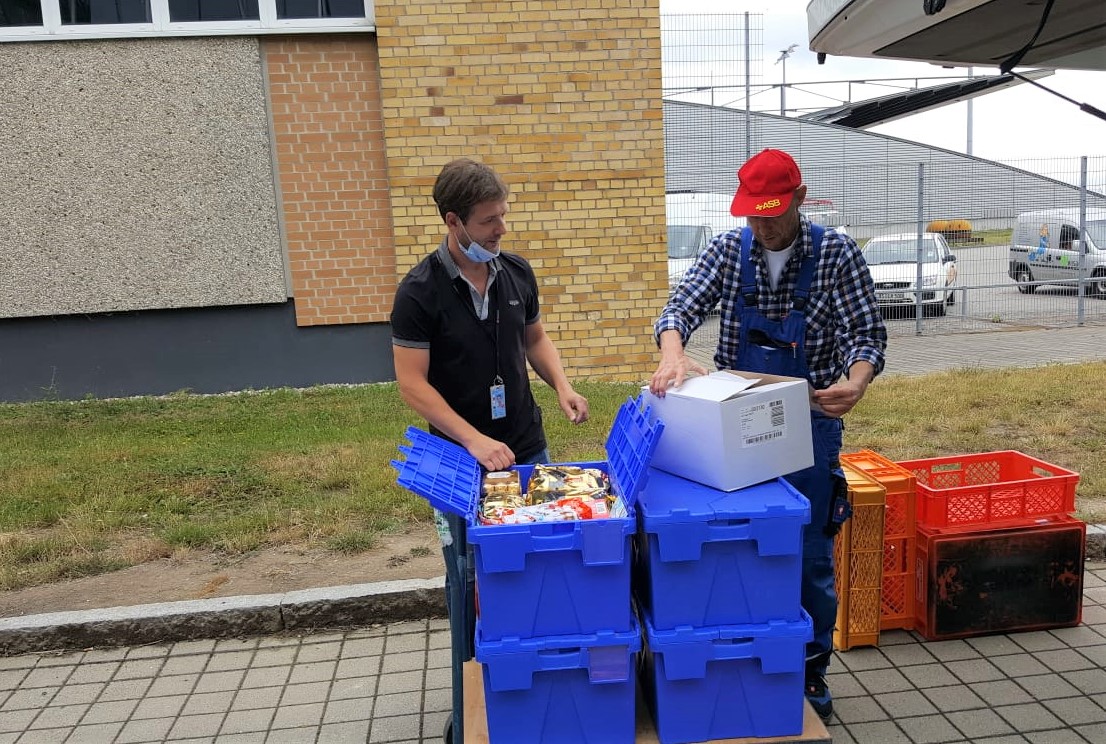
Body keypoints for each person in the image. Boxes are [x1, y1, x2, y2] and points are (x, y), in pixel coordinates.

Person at [648, 148, 887, 722]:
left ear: (800, 200)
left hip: (809, 427)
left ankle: (808, 673)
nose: (760, 226)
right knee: (736, 545)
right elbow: (679, 306)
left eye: (771, 215)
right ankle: (736, 661)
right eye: (752, 215)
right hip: (735, 427)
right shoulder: (729, 251)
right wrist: (673, 353)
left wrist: (855, 382)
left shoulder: (837, 254)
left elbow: (867, 334)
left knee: (806, 555)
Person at [390, 157, 589, 744]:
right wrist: (473, 440)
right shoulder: (419, 292)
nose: (500, 230)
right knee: (470, 579)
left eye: (503, 216)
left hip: (525, 444)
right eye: (487, 221)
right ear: (453, 222)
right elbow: (412, 383)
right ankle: (475, 698)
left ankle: (540, 685)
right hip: (459, 462)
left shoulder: (515, 273)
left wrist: (564, 385)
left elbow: (535, 338)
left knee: (536, 567)